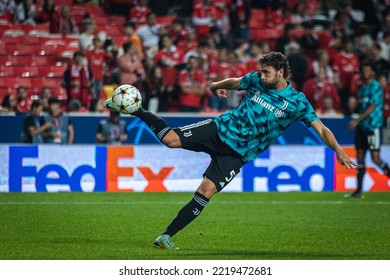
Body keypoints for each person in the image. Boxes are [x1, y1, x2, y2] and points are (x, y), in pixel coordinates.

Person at [103, 51, 357, 249]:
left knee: (206, 191)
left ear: (281, 72)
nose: (262, 75)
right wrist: (215, 86)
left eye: (267, 72)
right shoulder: (257, 80)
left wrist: (338, 149)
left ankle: (166, 236)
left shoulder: (297, 102)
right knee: (170, 140)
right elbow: (235, 82)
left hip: (237, 154)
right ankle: (136, 109)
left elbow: (321, 129)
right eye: (261, 71)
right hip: (220, 129)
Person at [345, 62, 390, 198]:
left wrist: (357, 120)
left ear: (373, 73)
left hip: (373, 126)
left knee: (375, 158)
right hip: (362, 128)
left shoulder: (376, 87)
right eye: (363, 70)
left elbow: (372, 107)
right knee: (360, 157)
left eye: (367, 70)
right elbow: (362, 106)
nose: (364, 72)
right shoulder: (361, 87)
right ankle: (358, 191)